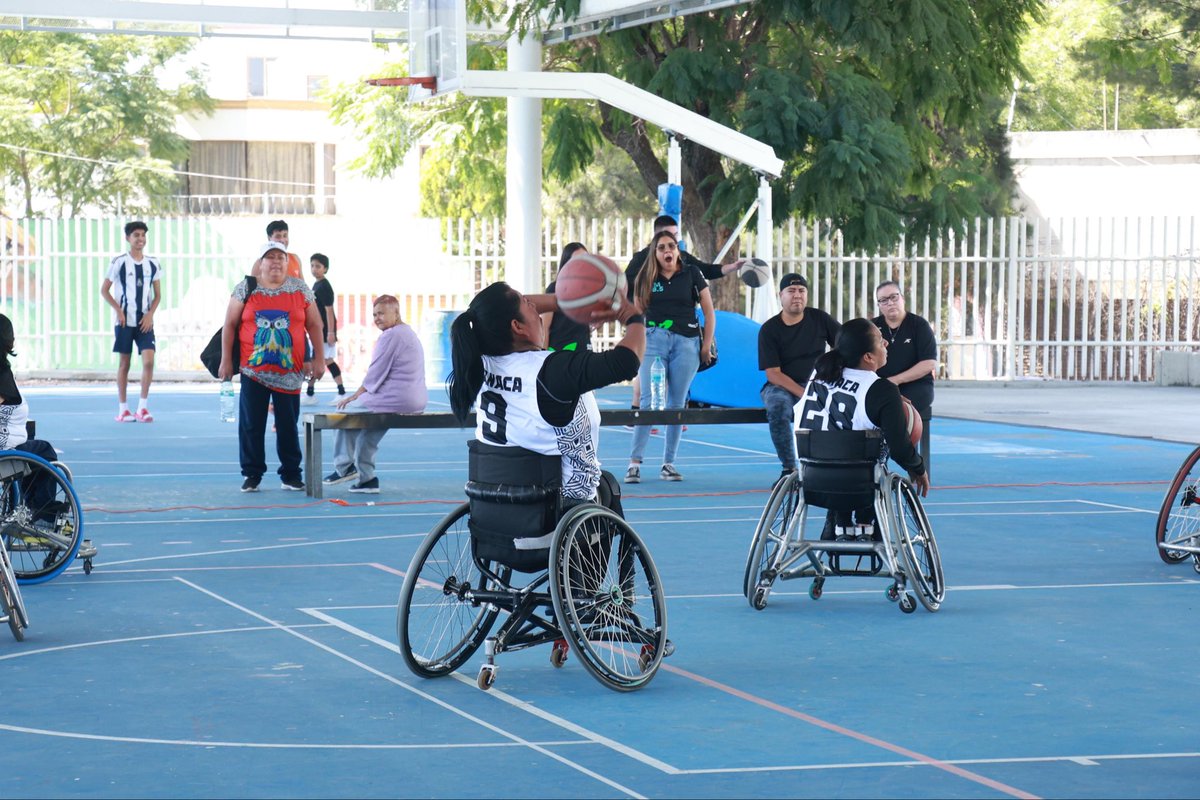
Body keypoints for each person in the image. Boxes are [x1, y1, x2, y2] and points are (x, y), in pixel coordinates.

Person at [448, 281, 644, 515]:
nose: (535, 306)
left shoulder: (479, 363)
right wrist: (632, 317)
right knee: (608, 487)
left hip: (496, 506)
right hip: (559, 509)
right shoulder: (550, 372)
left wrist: (567, 302)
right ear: (517, 327)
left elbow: (492, 312)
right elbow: (627, 362)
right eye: (527, 303)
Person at [795, 318, 930, 539]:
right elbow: (899, 448)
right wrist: (917, 466)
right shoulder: (881, 389)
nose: (885, 343)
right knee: (878, 442)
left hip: (810, 481)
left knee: (842, 438)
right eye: (879, 340)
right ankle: (867, 517)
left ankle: (839, 517)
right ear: (868, 357)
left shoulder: (817, 376)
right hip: (860, 486)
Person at [218, 241, 324, 492]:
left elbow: (315, 325)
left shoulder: (300, 289)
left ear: (288, 263)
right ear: (260, 263)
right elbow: (230, 325)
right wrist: (225, 360)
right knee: (251, 424)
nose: (276, 262)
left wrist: (319, 358)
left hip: (290, 373)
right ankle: (252, 473)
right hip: (253, 371)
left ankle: (290, 474)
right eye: (270, 257)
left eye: (281, 257)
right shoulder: (246, 288)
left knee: (288, 424)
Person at [625, 214, 745, 412]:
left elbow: (705, 270)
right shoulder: (641, 262)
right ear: (657, 236)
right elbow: (624, 285)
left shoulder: (685, 262)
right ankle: (638, 408)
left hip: (682, 334)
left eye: (675, 238)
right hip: (652, 329)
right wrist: (634, 318)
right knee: (648, 378)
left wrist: (731, 267)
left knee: (677, 385)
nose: (672, 244)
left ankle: (676, 412)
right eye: (667, 239)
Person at [624, 229, 714, 483]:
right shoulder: (647, 276)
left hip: (687, 342)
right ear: (655, 253)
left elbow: (709, 311)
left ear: (678, 250)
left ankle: (668, 463)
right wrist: (636, 344)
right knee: (648, 401)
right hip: (653, 339)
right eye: (662, 247)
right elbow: (638, 314)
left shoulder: (692, 274)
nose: (668, 251)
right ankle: (634, 463)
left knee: (677, 403)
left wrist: (705, 345)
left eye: (671, 246)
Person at [323, 295, 427, 494]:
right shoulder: (408, 332)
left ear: (395, 313)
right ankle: (367, 480)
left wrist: (354, 396)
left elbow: (376, 371)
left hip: (395, 399)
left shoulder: (391, 335)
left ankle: (344, 467)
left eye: (381, 313)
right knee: (367, 433)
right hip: (413, 399)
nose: (377, 318)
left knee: (343, 413)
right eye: (374, 314)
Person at [758, 273, 840, 479]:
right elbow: (773, 374)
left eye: (801, 291)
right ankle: (789, 470)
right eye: (791, 291)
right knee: (777, 408)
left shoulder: (820, 318)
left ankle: (830, 467)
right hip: (781, 386)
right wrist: (805, 394)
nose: (797, 296)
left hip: (818, 382)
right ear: (781, 296)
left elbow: (846, 344)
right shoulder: (769, 329)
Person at [871, 280, 937, 473]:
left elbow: (929, 363)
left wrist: (895, 381)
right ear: (879, 305)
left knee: (899, 410)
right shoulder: (872, 328)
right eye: (884, 300)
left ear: (902, 298)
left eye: (893, 297)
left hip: (915, 386)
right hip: (881, 386)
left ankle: (910, 462)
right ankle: (870, 462)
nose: (890, 303)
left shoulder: (919, 326)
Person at [0, 314, 65, 510]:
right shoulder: (2, 374)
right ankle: (41, 513)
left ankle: (30, 507)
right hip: (6, 451)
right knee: (45, 450)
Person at [100, 220, 162, 423]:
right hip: (125, 322)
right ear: (128, 238)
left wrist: (150, 314)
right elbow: (104, 290)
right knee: (124, 364)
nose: (140, 239)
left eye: (143, 235)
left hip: (145, 322)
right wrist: (118, 311)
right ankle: (123, 408)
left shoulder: (152, 263)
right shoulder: (119, 262)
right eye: (136, 235)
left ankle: (142, 408)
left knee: (149, 361)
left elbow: (157, 295)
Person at [304, 252, 347, 403]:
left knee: (324, 361)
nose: (314, 269)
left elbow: (329, 311)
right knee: (321, 360)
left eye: (318, 266)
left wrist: (330, 332)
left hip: (324, 331)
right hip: (319, 330)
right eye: (312, 266)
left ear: (325, 269)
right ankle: (311, 393)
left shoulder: (325, 287)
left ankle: (340, 393)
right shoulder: (317, 285)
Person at [540, 241, 593, 352]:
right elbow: (545, 326)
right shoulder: (554, 288)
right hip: (560, 353)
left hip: (584, 352)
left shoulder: (589, 290)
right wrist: (543, 357)